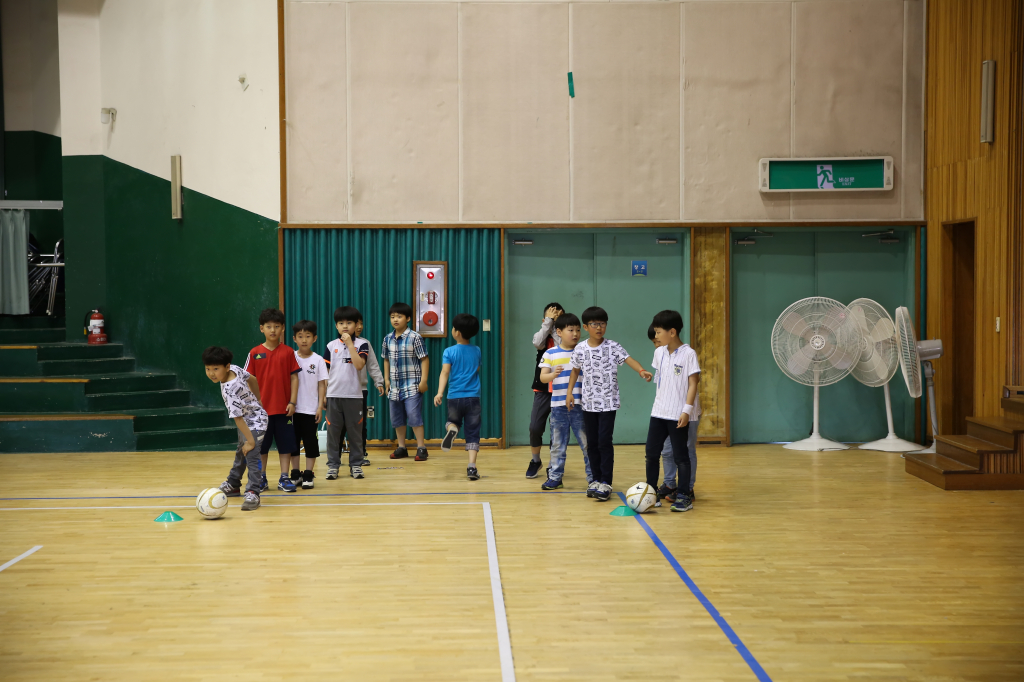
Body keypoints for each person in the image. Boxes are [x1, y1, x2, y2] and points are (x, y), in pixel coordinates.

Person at [566, 306, 652, 502]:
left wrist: (641, 370)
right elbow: (575, 371)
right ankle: (595, 480)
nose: (599, 328)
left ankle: (606, 482)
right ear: (586, 327)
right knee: (592, 444)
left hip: (608, 404)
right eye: (595, 324)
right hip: (588, 404)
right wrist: (570, 392)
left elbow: (628, 359)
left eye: (602, 324)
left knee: (604, 442)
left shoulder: (613, 346)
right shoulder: (580, 348)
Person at [644, 310, 701, 513]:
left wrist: (686, 411)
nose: (656, 336)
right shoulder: (658, 352)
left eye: (659, 332)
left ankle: (684, 495)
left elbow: (693, 383)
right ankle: (651, 494)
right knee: (651, 453)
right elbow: (662, 379)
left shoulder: (688, 353)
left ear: (673, 332)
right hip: (658, 412)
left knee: (681, 456)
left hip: (678, 413)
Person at [204, 346, 268, 512]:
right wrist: (258, 399)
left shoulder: (229, 390)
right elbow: (252, 379)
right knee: (242, 451)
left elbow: (238, 419)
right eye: (208, 369)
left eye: (215, 369)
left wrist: (251, 441)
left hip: (256, 422)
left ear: (226, 366)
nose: (211, 373)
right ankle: (233, 483)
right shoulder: (234, 368)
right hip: (249, 420)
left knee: (252, 454)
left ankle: (253, 491)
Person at [244, 308, 300, 493]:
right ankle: (262, 477)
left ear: (283, 328)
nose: (273, 330)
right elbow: (248, 379)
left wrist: (292, 402)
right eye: (269, 327)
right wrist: (253, 404)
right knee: (262, 447)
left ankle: (284, 478)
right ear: (262, 329)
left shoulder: (288, 352)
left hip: (284, 410)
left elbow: (294, 378)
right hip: (261, 413)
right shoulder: (255, 353)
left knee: (285, 446)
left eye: (277, 326)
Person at [537, 313, 595, 493]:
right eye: (571, 330)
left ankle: (593, 478)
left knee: (587, 444)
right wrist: (552, 375)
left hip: (581, 406)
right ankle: (555, 477)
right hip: (558, 407)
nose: (575, 333)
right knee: (557, 444)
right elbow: (542, 377)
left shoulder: (584, 351)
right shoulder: (550, 353)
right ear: (559, 332)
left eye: (578, 330)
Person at [434, 313, 483, 480]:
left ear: (457, 332)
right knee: (473, 432)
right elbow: (477, 370)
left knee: (453, 421)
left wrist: (440, 392)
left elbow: (445, 372)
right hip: (473, 398)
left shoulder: (449, 351)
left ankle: (452, 429)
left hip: (454, 397)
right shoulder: (477, 350)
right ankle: (471, 468)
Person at [324, 306, 370, 480]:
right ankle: (333, 466)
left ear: (356, 325)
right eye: (341, 323)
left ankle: (356, 465)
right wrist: (323, 395)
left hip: (354, 397)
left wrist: (350, 344)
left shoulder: (362, 344)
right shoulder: (330, 346)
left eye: (349, 323)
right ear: (336, 326)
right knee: (333, 434)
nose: (345, 326)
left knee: (355, 434)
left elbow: (359, 365)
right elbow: (325, 373)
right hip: (333, 396)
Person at [381, 302, 429, 461]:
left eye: (399, 316)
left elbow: (424, 359)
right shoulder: (387, 339)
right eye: (393, 316)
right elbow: (386, 360)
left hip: (412, 386)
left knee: (414, 416)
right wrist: (386, 379)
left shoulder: (415, 337)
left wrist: (424, 381)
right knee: (397, 418)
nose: (395, 319)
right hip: (394, 387)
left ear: (408, 318)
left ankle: (421, 447)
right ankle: (402, 447)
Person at [526, 302, 564, 478]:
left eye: (558, 318)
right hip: (542, 390)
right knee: (535, 427)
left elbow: (560, 346)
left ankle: (553, 464)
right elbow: (536, 342)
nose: (554, 322)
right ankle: (535, 461)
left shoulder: (565, 339)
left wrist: (556, 326)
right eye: (551, 318)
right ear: (545, 320)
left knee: (556, 430)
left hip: (560, 390)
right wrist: (548, 322)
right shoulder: (542, 337)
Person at [289, 320, 328, 490]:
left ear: (315, 338)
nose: (304, 340)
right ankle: (295, 473)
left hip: (311, 410)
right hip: (292, 409)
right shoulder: (291, 357)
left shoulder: (318, 360)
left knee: (310, 442)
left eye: (308, 336)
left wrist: (319, 406)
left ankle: (308, 474)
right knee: (292, 443)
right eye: (300, 336)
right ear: (294, 339)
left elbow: (322, 384)